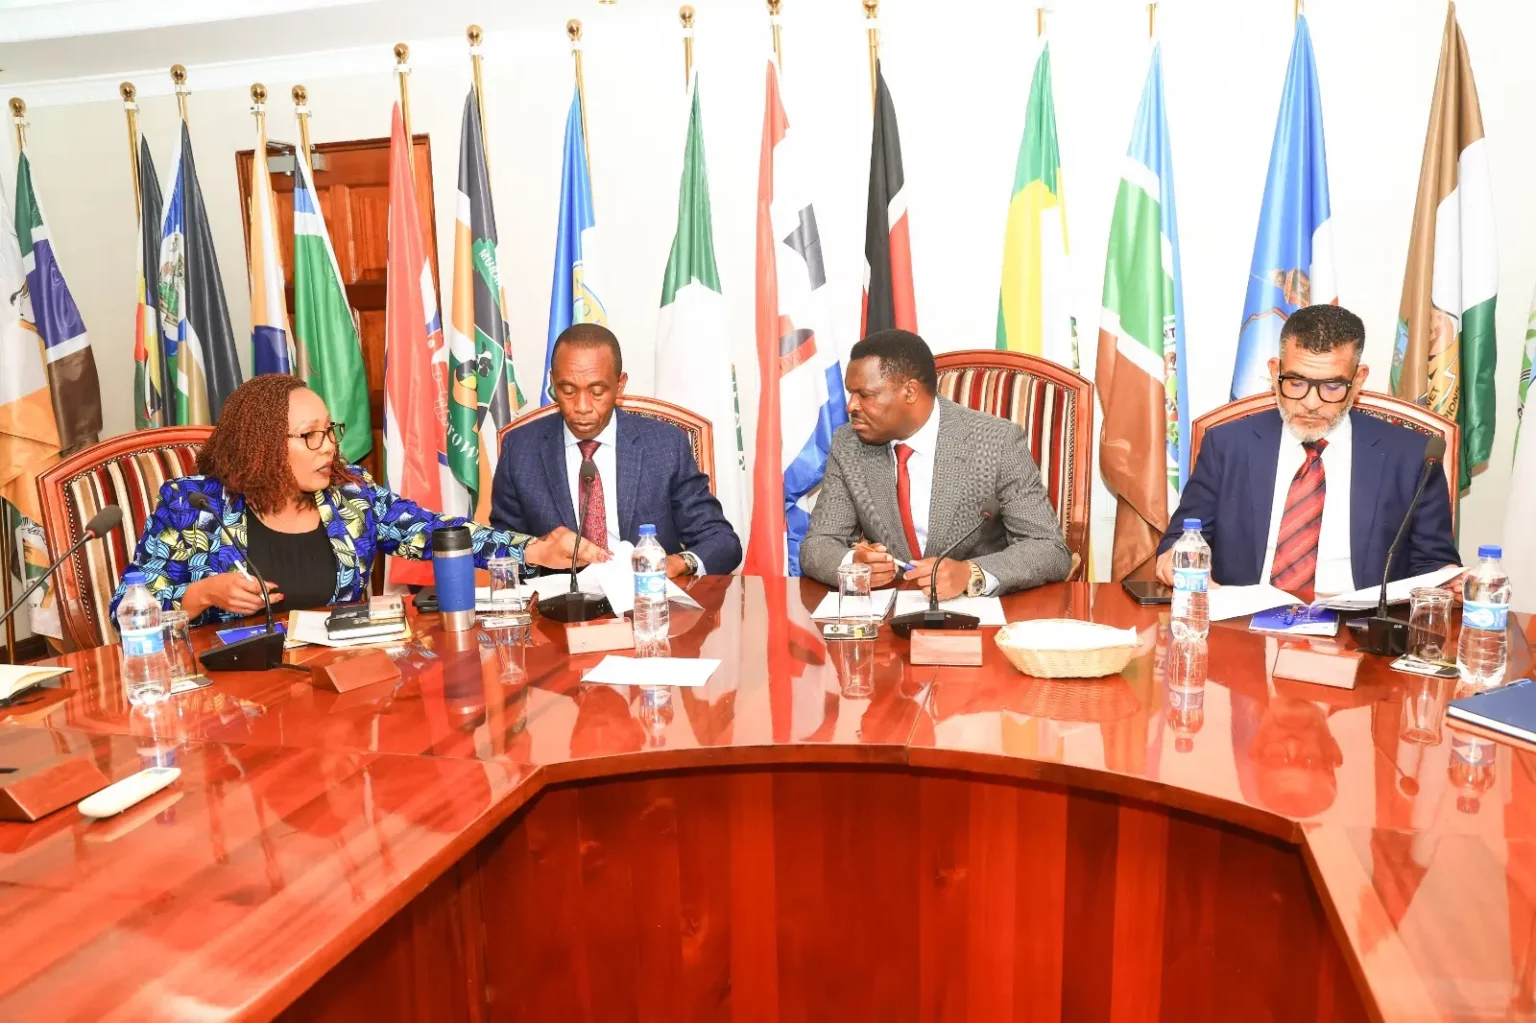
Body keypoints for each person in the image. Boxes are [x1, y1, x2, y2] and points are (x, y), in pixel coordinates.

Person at [109, 374, 607, 626]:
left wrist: (535, 551)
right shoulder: (193, 506)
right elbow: (124, 610)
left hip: (338, 688)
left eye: (330, 431)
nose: (329, 446)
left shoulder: (351, 496)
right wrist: (200, 596)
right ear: (262, 446)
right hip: (228, 703)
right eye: (310, 436)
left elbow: (437, 532)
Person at [1156, 304, 1460, 599]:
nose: (1311, 403)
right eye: (1297, 382)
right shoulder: (1227, 445)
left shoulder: (1410, 457)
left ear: (1358, 381)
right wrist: (1174, 559)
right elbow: (1183, 540)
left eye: (1331, 386)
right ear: (1275, 372)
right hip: (1246, 626)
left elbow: (1432, 564)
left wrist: (1449, 579)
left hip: (1360, 631)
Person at [800, 328, 1072, 598]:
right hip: (888, 610)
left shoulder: (996, 441)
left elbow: (1048, 548)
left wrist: (971, 573)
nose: (851, 406)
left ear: (910, 392)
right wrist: (853, 563)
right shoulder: (849, 444)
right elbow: (818, 545)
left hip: (976, 613)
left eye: (865, 395)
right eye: (851, 393)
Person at [490, 323, 741, 578]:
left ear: (619, 386)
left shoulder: (665, 446)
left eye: (597, 392)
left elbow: (721, 541)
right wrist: (537, 554)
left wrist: (676, 564)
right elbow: (500, 547)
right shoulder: (520, 449)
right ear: (553, 382)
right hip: (559, 610)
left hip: (647, 602)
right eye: (567, 391)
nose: (582, 406)